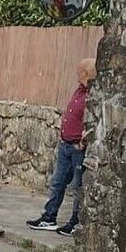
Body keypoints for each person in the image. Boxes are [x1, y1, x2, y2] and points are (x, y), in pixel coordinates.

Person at [27, 57, 96, 236]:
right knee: (57, 183)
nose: (76, 75)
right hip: (66, 144)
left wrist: (84, 139)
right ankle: (49, 217)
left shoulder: (92, 94)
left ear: (85, 73)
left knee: (78, 186)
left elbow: (93, 121)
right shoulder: (80, 91)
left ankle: (75, 221)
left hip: (77, 148)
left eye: (79, 72)